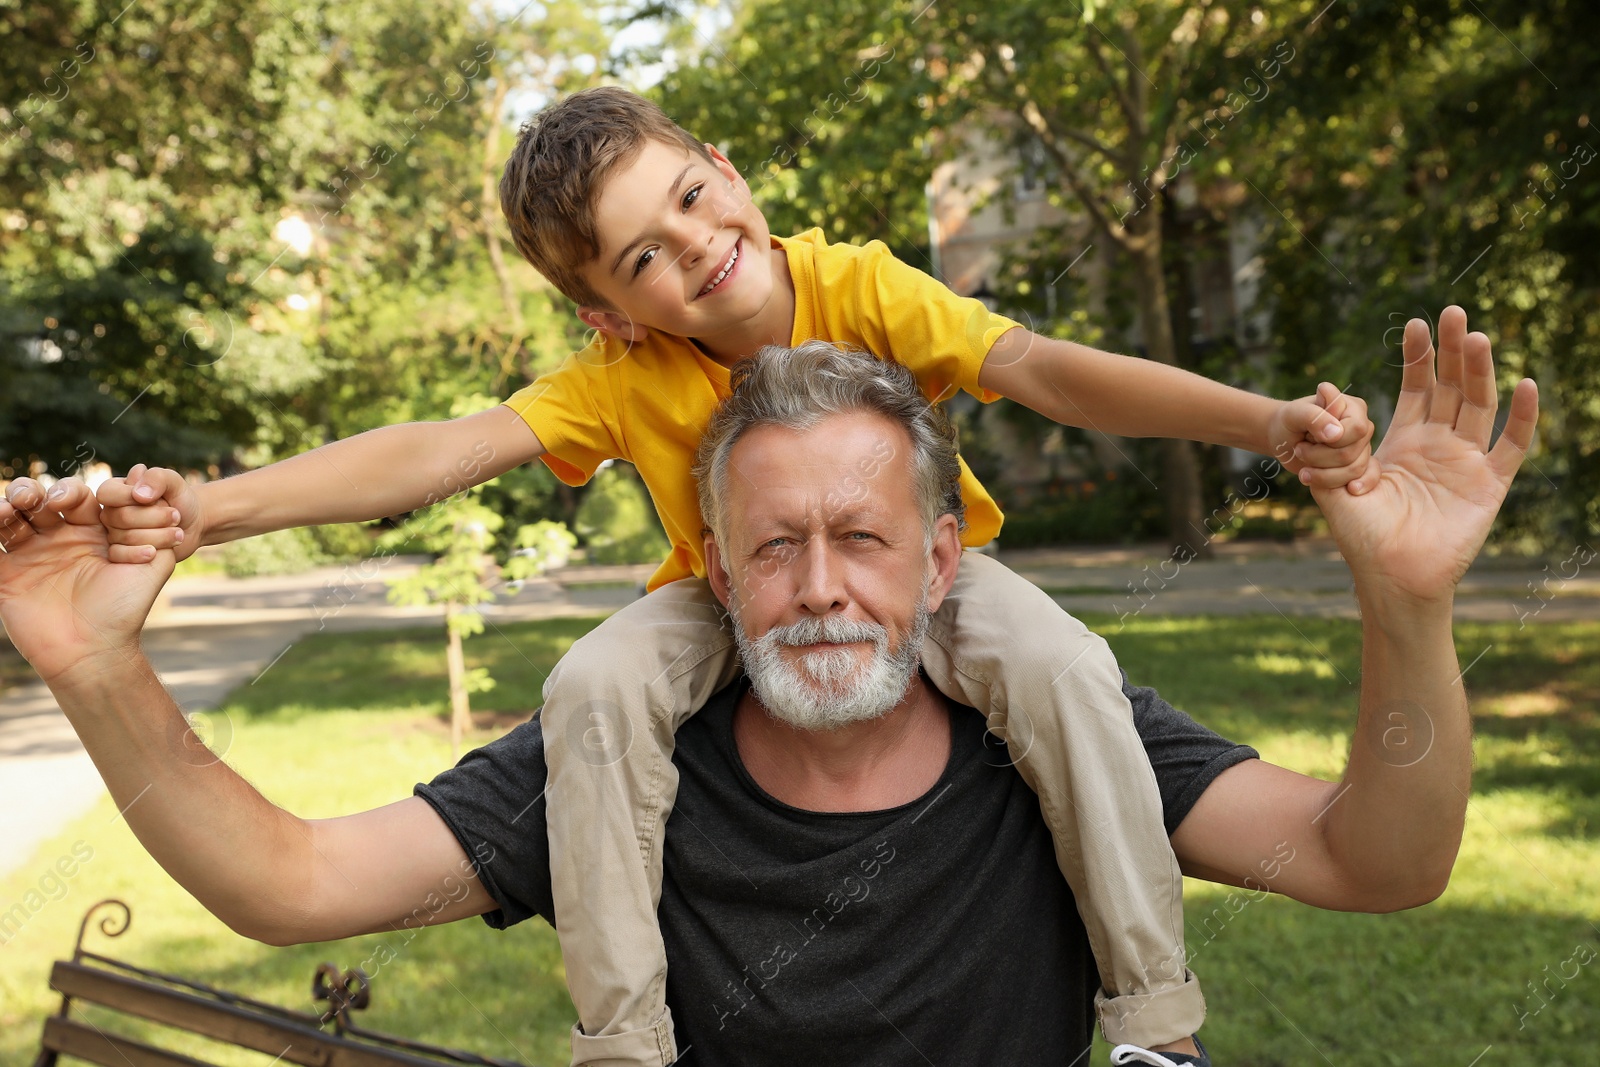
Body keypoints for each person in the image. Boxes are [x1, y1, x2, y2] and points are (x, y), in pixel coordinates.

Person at [83, 87, 1380, 1065]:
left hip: (935, 577)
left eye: (693, 201)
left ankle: (1156, 1024)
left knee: (1065, 665)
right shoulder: (619, 381)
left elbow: (1041, 368)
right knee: (592, 684)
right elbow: (439, 452)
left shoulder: (860, 286)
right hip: (721, 592)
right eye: (643, 254)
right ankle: (626, 1045)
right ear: (610, 311)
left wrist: (1262, 423)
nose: (695, 247)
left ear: (729, 173)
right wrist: (206, 509)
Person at [0, 320, 1536, 1066]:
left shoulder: (1065, 736)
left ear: (944, 563)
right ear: (713, 578)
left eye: (862, 540)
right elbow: (288, 883)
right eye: (773, 548)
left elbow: (1379, 864)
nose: (817, 588)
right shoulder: (616, 755)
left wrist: (1407, 603)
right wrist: (93, 662)